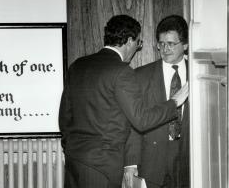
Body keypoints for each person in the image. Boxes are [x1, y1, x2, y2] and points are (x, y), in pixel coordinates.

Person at [59, 14, 188, 188]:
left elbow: (64, 117)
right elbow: (140, 120)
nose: (137, 48)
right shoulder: (122, 72)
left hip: (75, 160)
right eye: (138, 43)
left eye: (171, 44)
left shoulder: (77, 65)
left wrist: (73, 148)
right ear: (129, 41)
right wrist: (174, 102)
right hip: (102, 165)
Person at [123, 15, 190, 188]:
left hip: (190, 159)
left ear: (185, 45)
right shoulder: (141, 76)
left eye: (171, 44)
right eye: (161, 44)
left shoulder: (199, 75)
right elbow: (132, 123)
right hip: (152, 160)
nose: (165, 49)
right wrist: (130, 163)